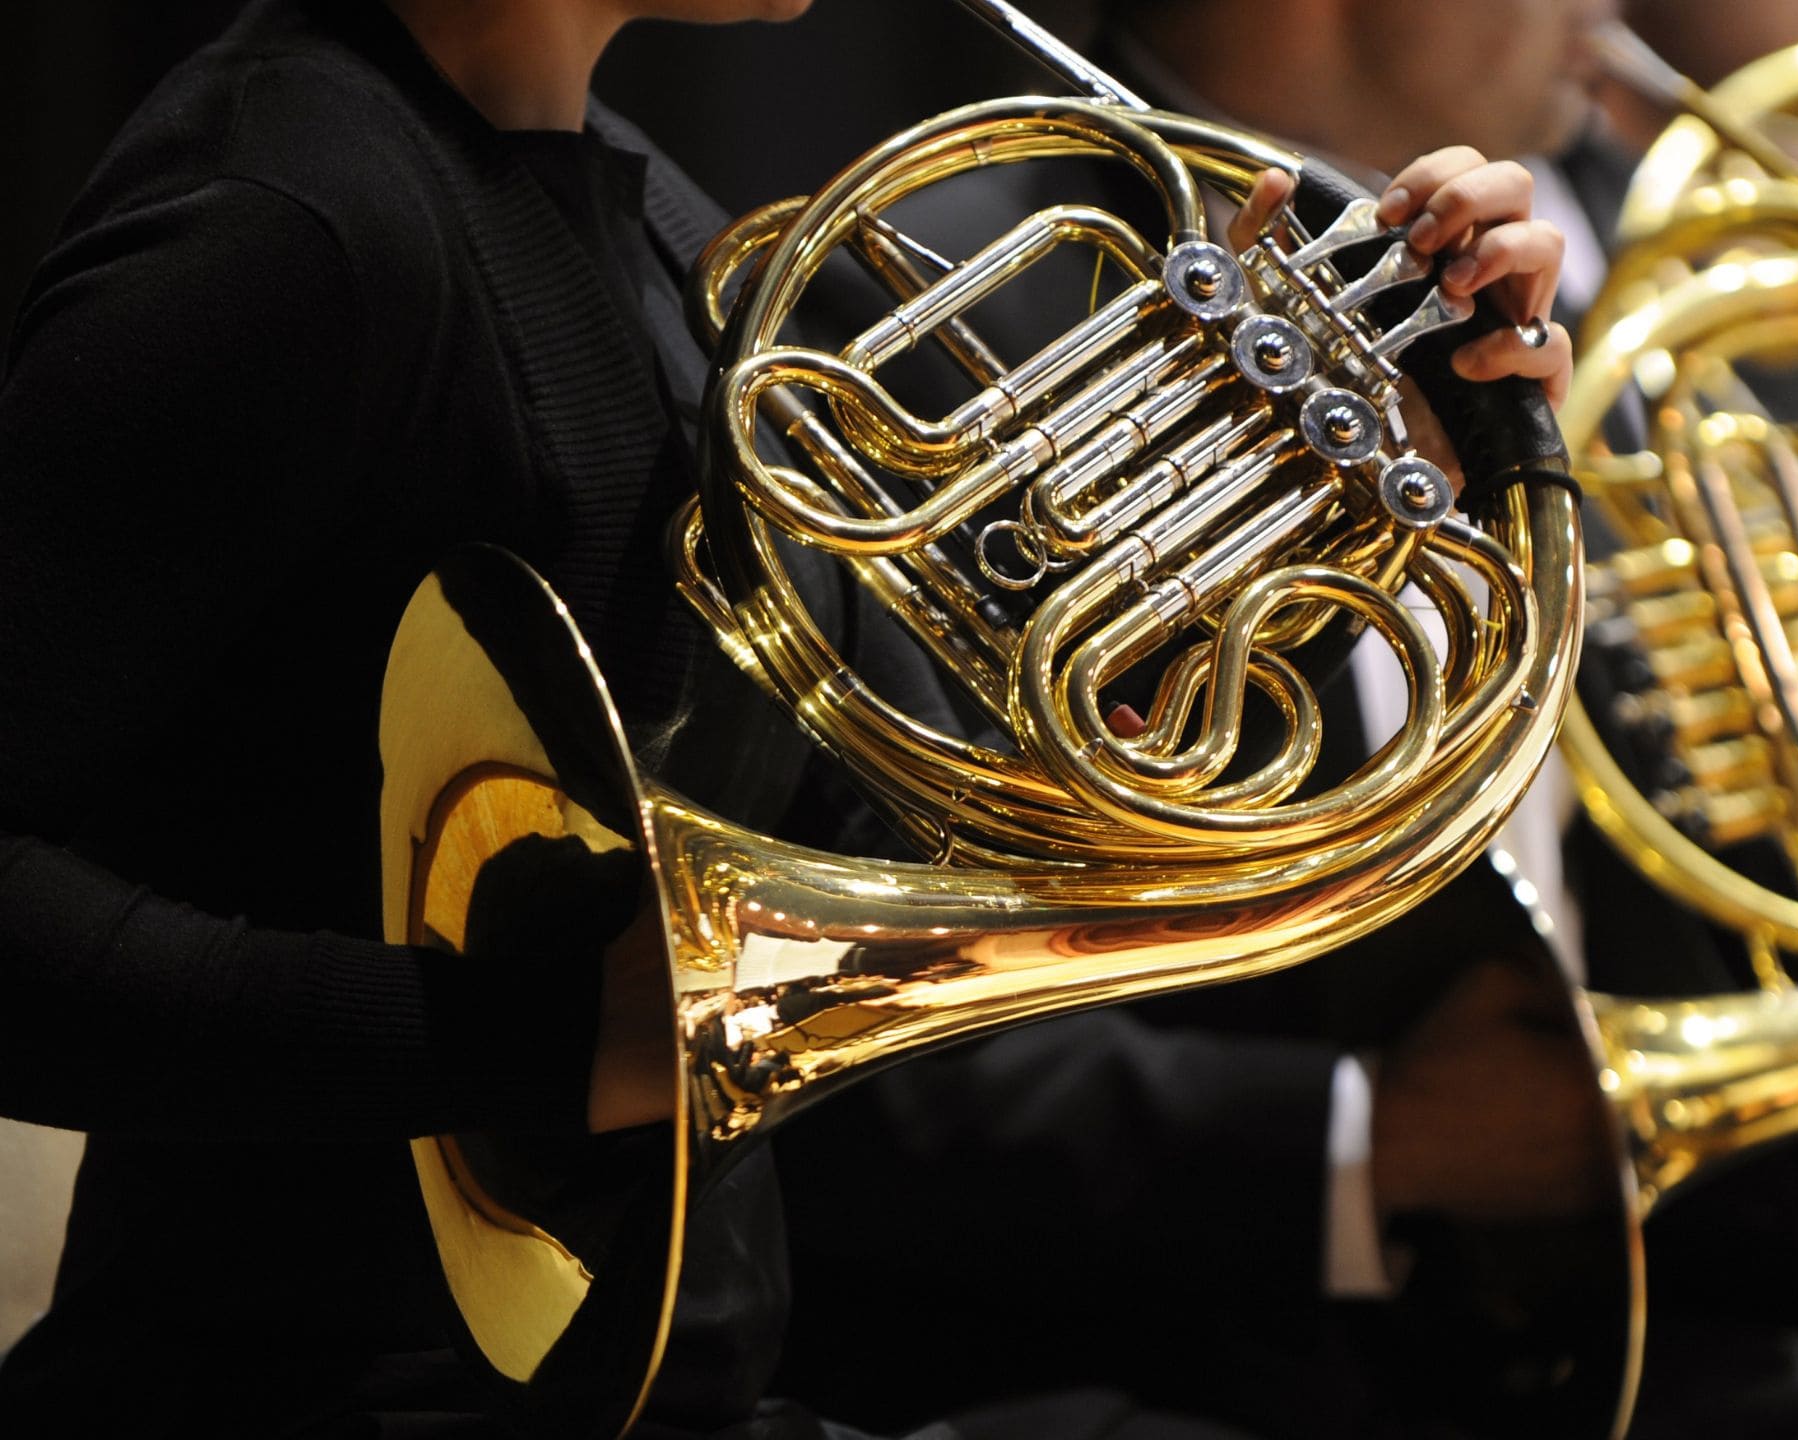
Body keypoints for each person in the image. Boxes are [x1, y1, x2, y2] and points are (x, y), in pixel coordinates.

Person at [744, 3, 1798, 1439]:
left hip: (1611, 1235)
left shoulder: (1552, 260)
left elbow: (1694, 777)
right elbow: (891, 1054)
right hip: (1209, 1291)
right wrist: (1367, 1143)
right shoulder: (971, 294)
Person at [0, 1, 1568, 1435]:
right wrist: (537, 1042)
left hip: (658, 1386)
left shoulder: (637, 207)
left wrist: (1338, 474)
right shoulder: (290, 215)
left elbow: (889, 814)